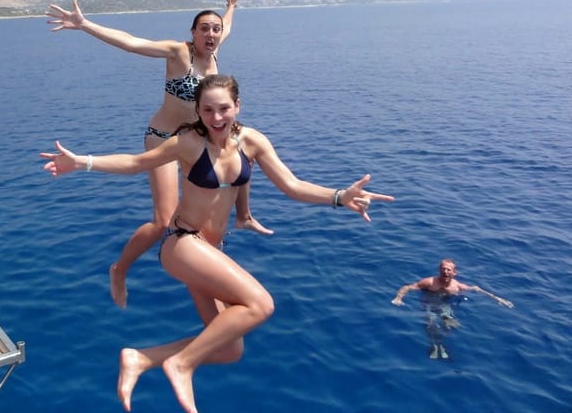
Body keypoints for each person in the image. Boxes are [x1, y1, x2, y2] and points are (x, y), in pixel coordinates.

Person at [41, 74, 393, 413]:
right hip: (181, 243)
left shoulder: (252, 141)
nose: (216, 117)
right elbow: (136, 163)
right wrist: (82, 162)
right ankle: (182, 364)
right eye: (207, 110)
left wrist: (338, 196)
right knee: (261, 304)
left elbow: (292, 185)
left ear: (237, 106)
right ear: (198, 111)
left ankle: (142, 359)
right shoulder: (188, 143)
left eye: (223, 108)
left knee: (228, 349)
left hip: (208, 252)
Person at [47, 0, 271, 309]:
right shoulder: (178, 52)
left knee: (215, 199)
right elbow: (131, 42)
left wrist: (231, 7)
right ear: (192, 33)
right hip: (164, 138)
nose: (211, 33)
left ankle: (234, 230)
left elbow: (228, 26)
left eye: (215, 29)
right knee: (164, 221)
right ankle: (119, 269)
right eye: (204, 29)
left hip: (196, 143)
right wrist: (85, 25)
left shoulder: (215, 49)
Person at [391, 258, 513, 359]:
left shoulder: (457, 286)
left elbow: (477, 289)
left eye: (448, 269)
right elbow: (407, 287)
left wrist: (498, 299)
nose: (445, 271)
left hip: (445, 305)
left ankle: (442, 345)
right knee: (431, 323)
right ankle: (435, 345)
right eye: (443, 269)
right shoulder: (429, 282)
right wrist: (398, 298)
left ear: (454, 272)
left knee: (450, 322)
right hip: (430, 304)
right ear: (439, 270)